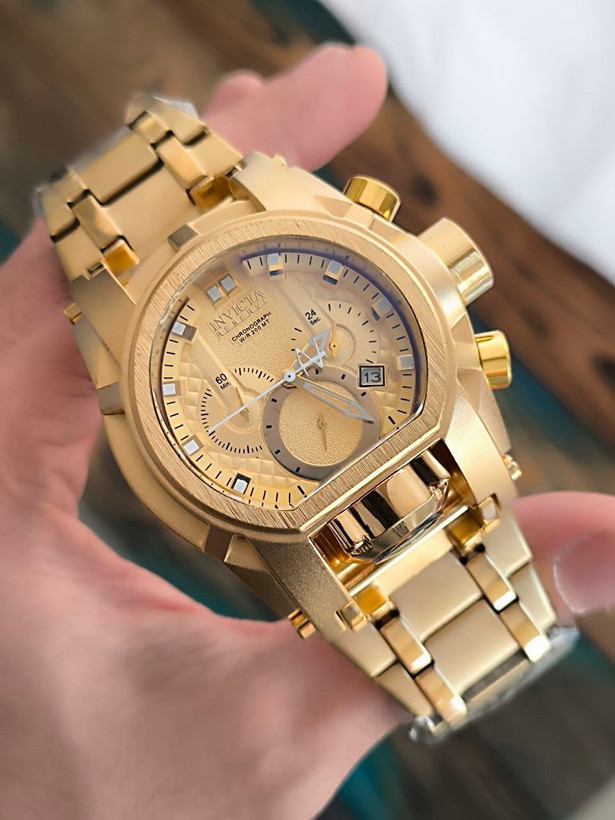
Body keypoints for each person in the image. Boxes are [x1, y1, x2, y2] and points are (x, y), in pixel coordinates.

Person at [0, 44, 613, 820]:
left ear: (437, 277)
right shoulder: (134, 321)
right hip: (317, 518)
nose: (285, 377)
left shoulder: (267, 207)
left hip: (398, 458)